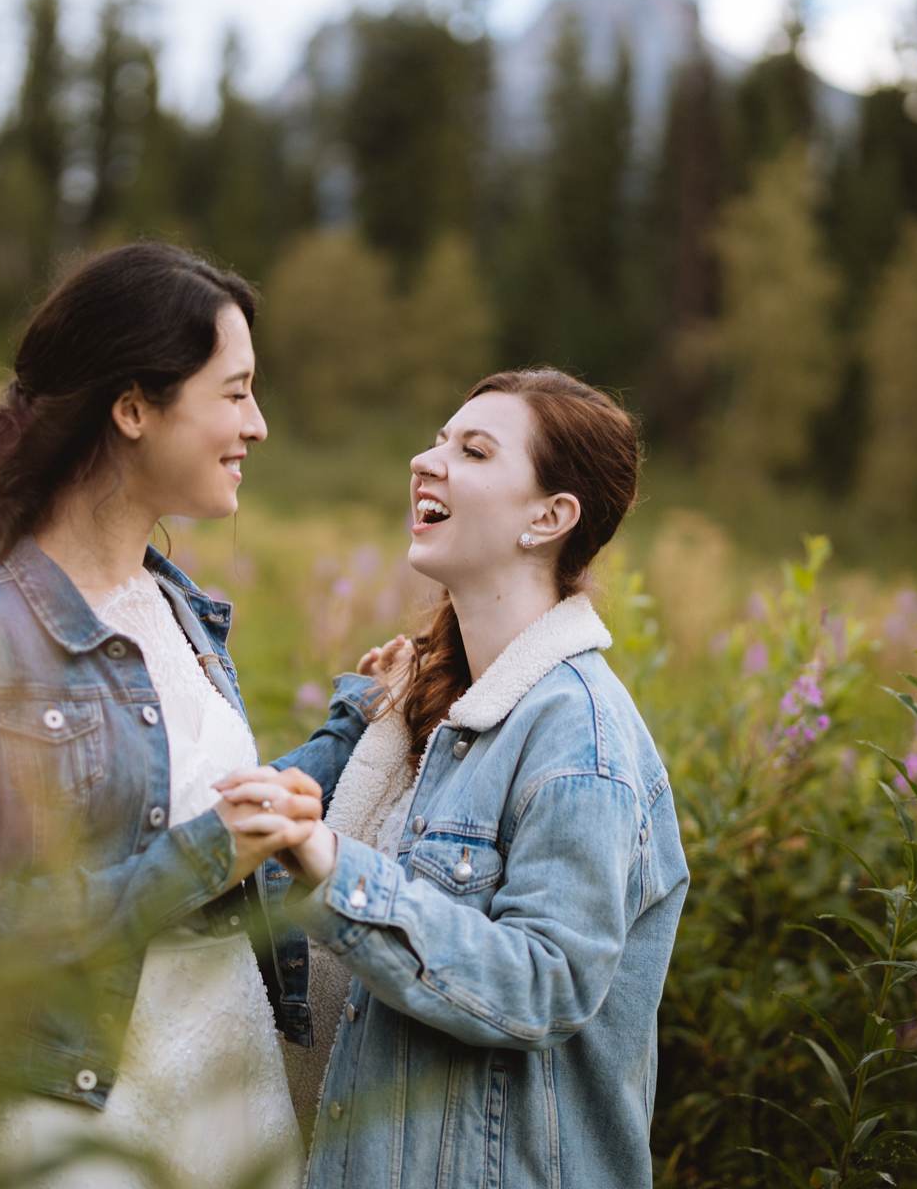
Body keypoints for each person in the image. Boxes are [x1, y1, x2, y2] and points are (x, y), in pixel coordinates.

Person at [0, 242, 377, 1188]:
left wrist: (357, 719)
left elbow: (198, 814)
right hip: (76, 1121)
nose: (259, 425)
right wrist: (196, 858)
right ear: (133, 407)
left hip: (231, 1102)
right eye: (234, 393)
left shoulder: (182, 613)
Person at [219, 368, 689, 1188]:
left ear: (550, 517)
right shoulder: (425, 709)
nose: (426, 461)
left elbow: (543, 984)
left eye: (472, 450)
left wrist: (337, 869)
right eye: (438, 441)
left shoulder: (581, 739)